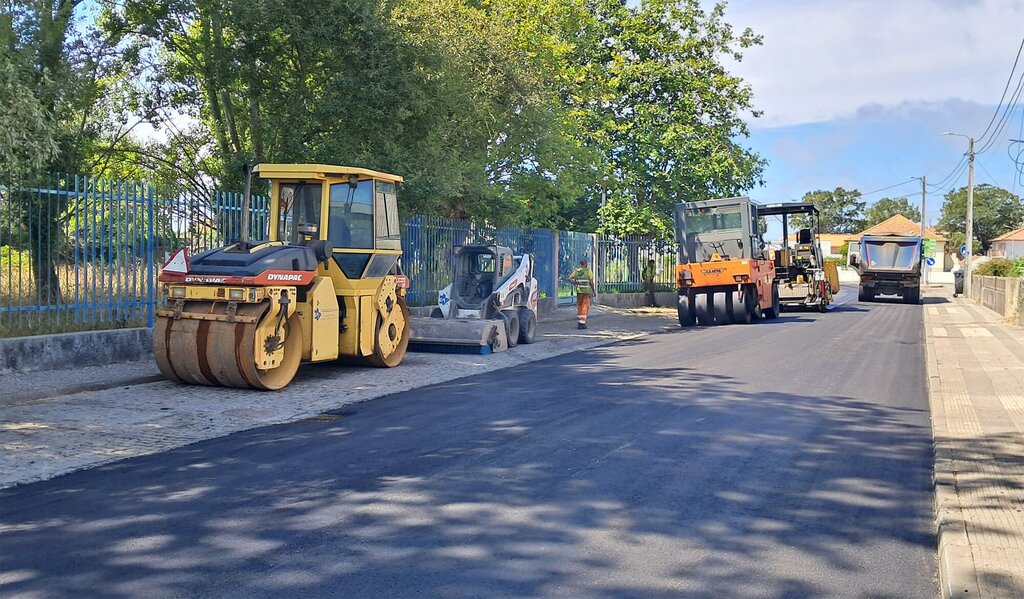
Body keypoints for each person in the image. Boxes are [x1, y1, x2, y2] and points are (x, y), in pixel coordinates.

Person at [568, 258, 596, 329]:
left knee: (579, 306)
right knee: (585, 306)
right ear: (585, 264)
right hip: (586, 291)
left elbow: (569, 278)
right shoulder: (588, 271)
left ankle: (579, 322)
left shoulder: (576, 271)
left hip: (579, 291)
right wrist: (593, 291)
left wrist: (575, 283)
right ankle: (582, 323)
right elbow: (591, 282)